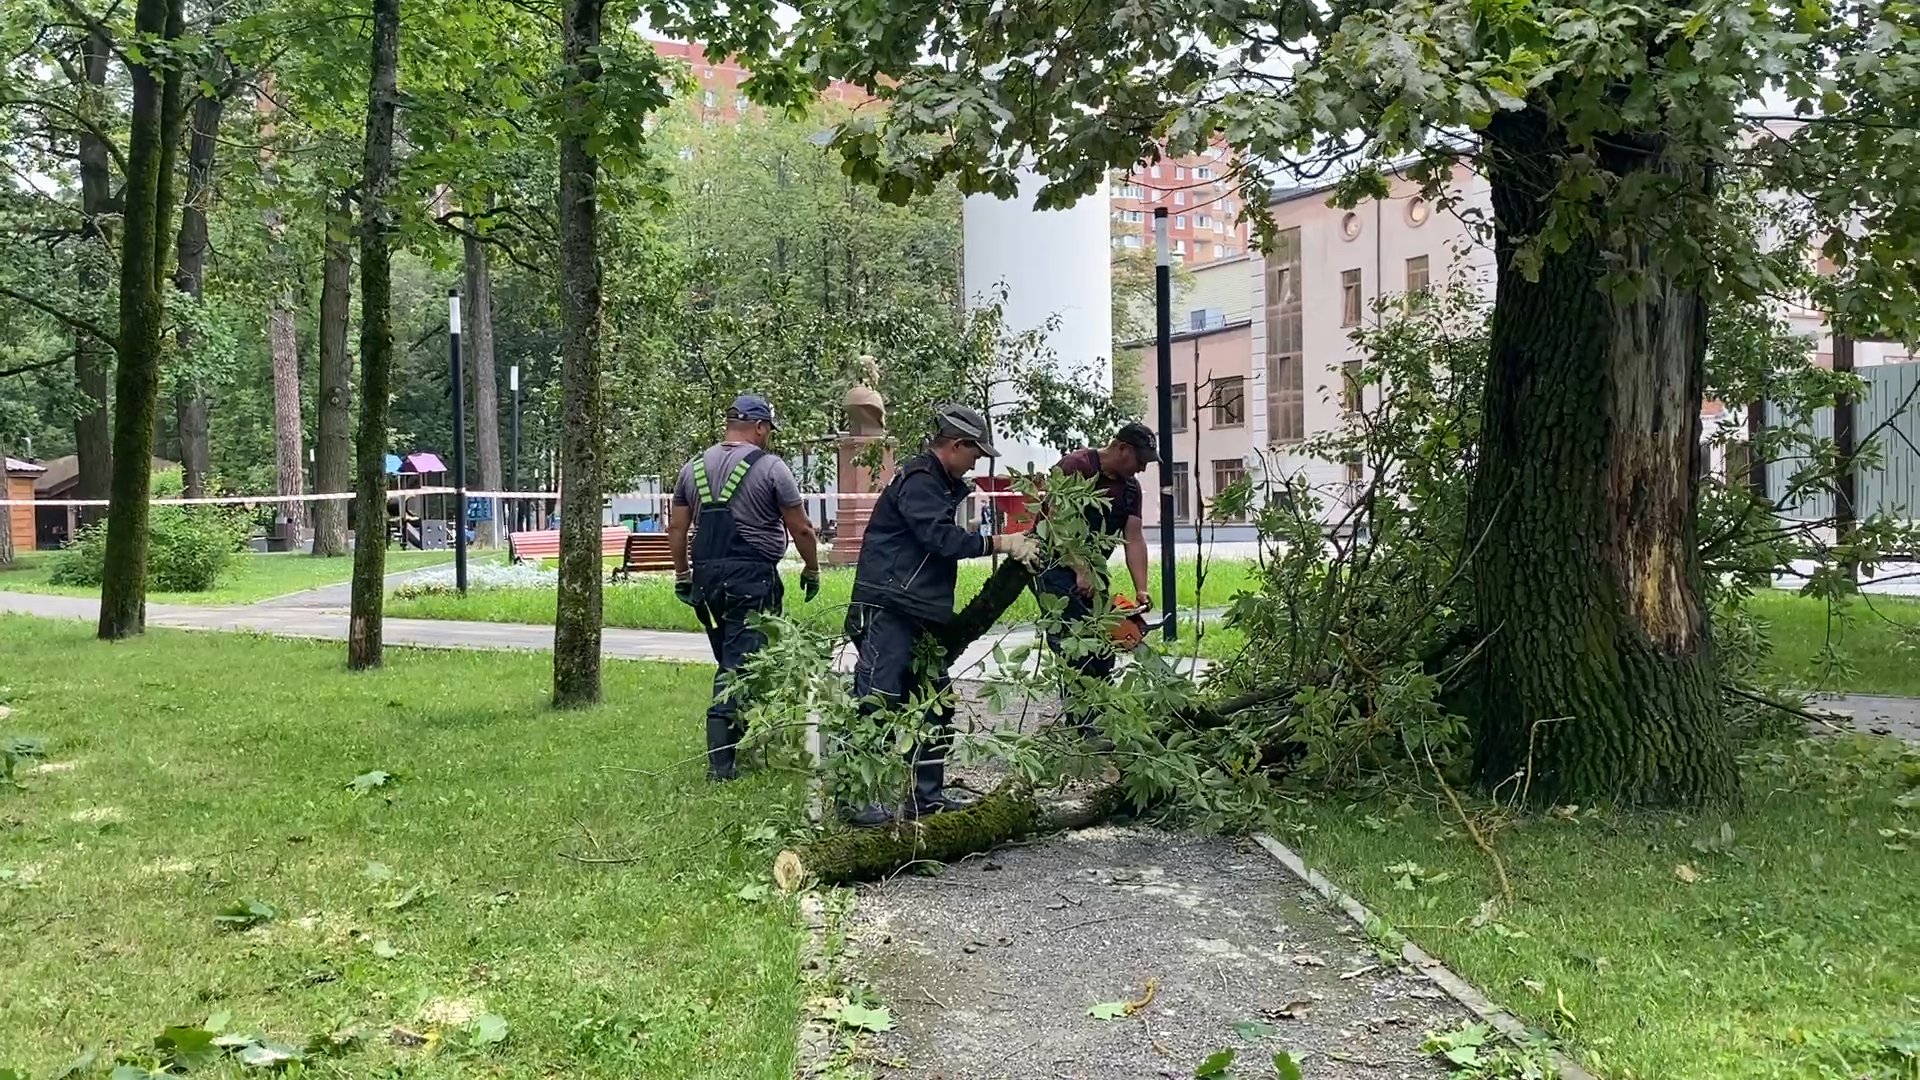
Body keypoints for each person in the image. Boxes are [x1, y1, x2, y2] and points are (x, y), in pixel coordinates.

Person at [843, 403, 1041, 825]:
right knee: (876, 701)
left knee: (935, 704)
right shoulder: (919, 481)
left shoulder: (943, 484)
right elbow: (939, 539)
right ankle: (854, 799)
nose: (977, 461)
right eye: (975, 452)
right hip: (889, 608)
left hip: (919, 612)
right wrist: (1001, 543)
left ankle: (926, 798)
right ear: (956, 445)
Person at [668, 394, 822, 781]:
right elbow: (801, 527)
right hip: (751, 579)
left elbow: (677, 528)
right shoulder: (771, 468)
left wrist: (682, 575)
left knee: (735, 659)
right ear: (759, 426)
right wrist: (811, 569)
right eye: (768, 428)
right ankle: (721, 769)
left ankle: (744, 744)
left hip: (707, 580)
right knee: (736, 670)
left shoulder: (692, 468)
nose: (769, 435)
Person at [1038, 422, 1157, 739]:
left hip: (1095, 570)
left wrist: (1141, 587)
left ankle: (1101, 716)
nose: (1143, 468)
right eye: (1140, 460)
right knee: (1073, 644)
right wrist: (1078, 568)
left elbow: (1134, 537)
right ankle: (1081, 726)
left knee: (1106, 641)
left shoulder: (1130, 489)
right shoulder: (1076, 466)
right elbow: (1053, 519)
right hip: (1055, 564)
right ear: (1122, 449)